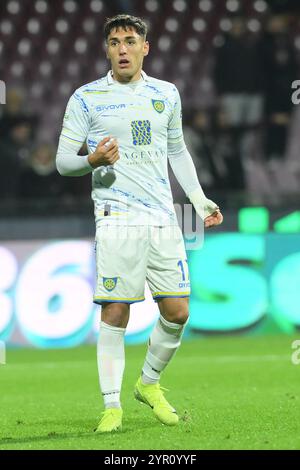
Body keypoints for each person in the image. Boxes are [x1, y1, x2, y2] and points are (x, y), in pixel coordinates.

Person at [56, 14, 223, 433]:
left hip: (163, 218)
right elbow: (62, 163)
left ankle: (148, 384)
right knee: (116, 310)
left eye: (130, 41)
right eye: (114, 42)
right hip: (116, 218)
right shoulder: (86, 98)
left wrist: (200, 201)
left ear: (145, 47)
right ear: (106, 49)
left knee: (178, 310)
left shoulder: (166, 94)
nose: (123, 49)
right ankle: (111, 406)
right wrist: (90, 161)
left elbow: (178, 152)